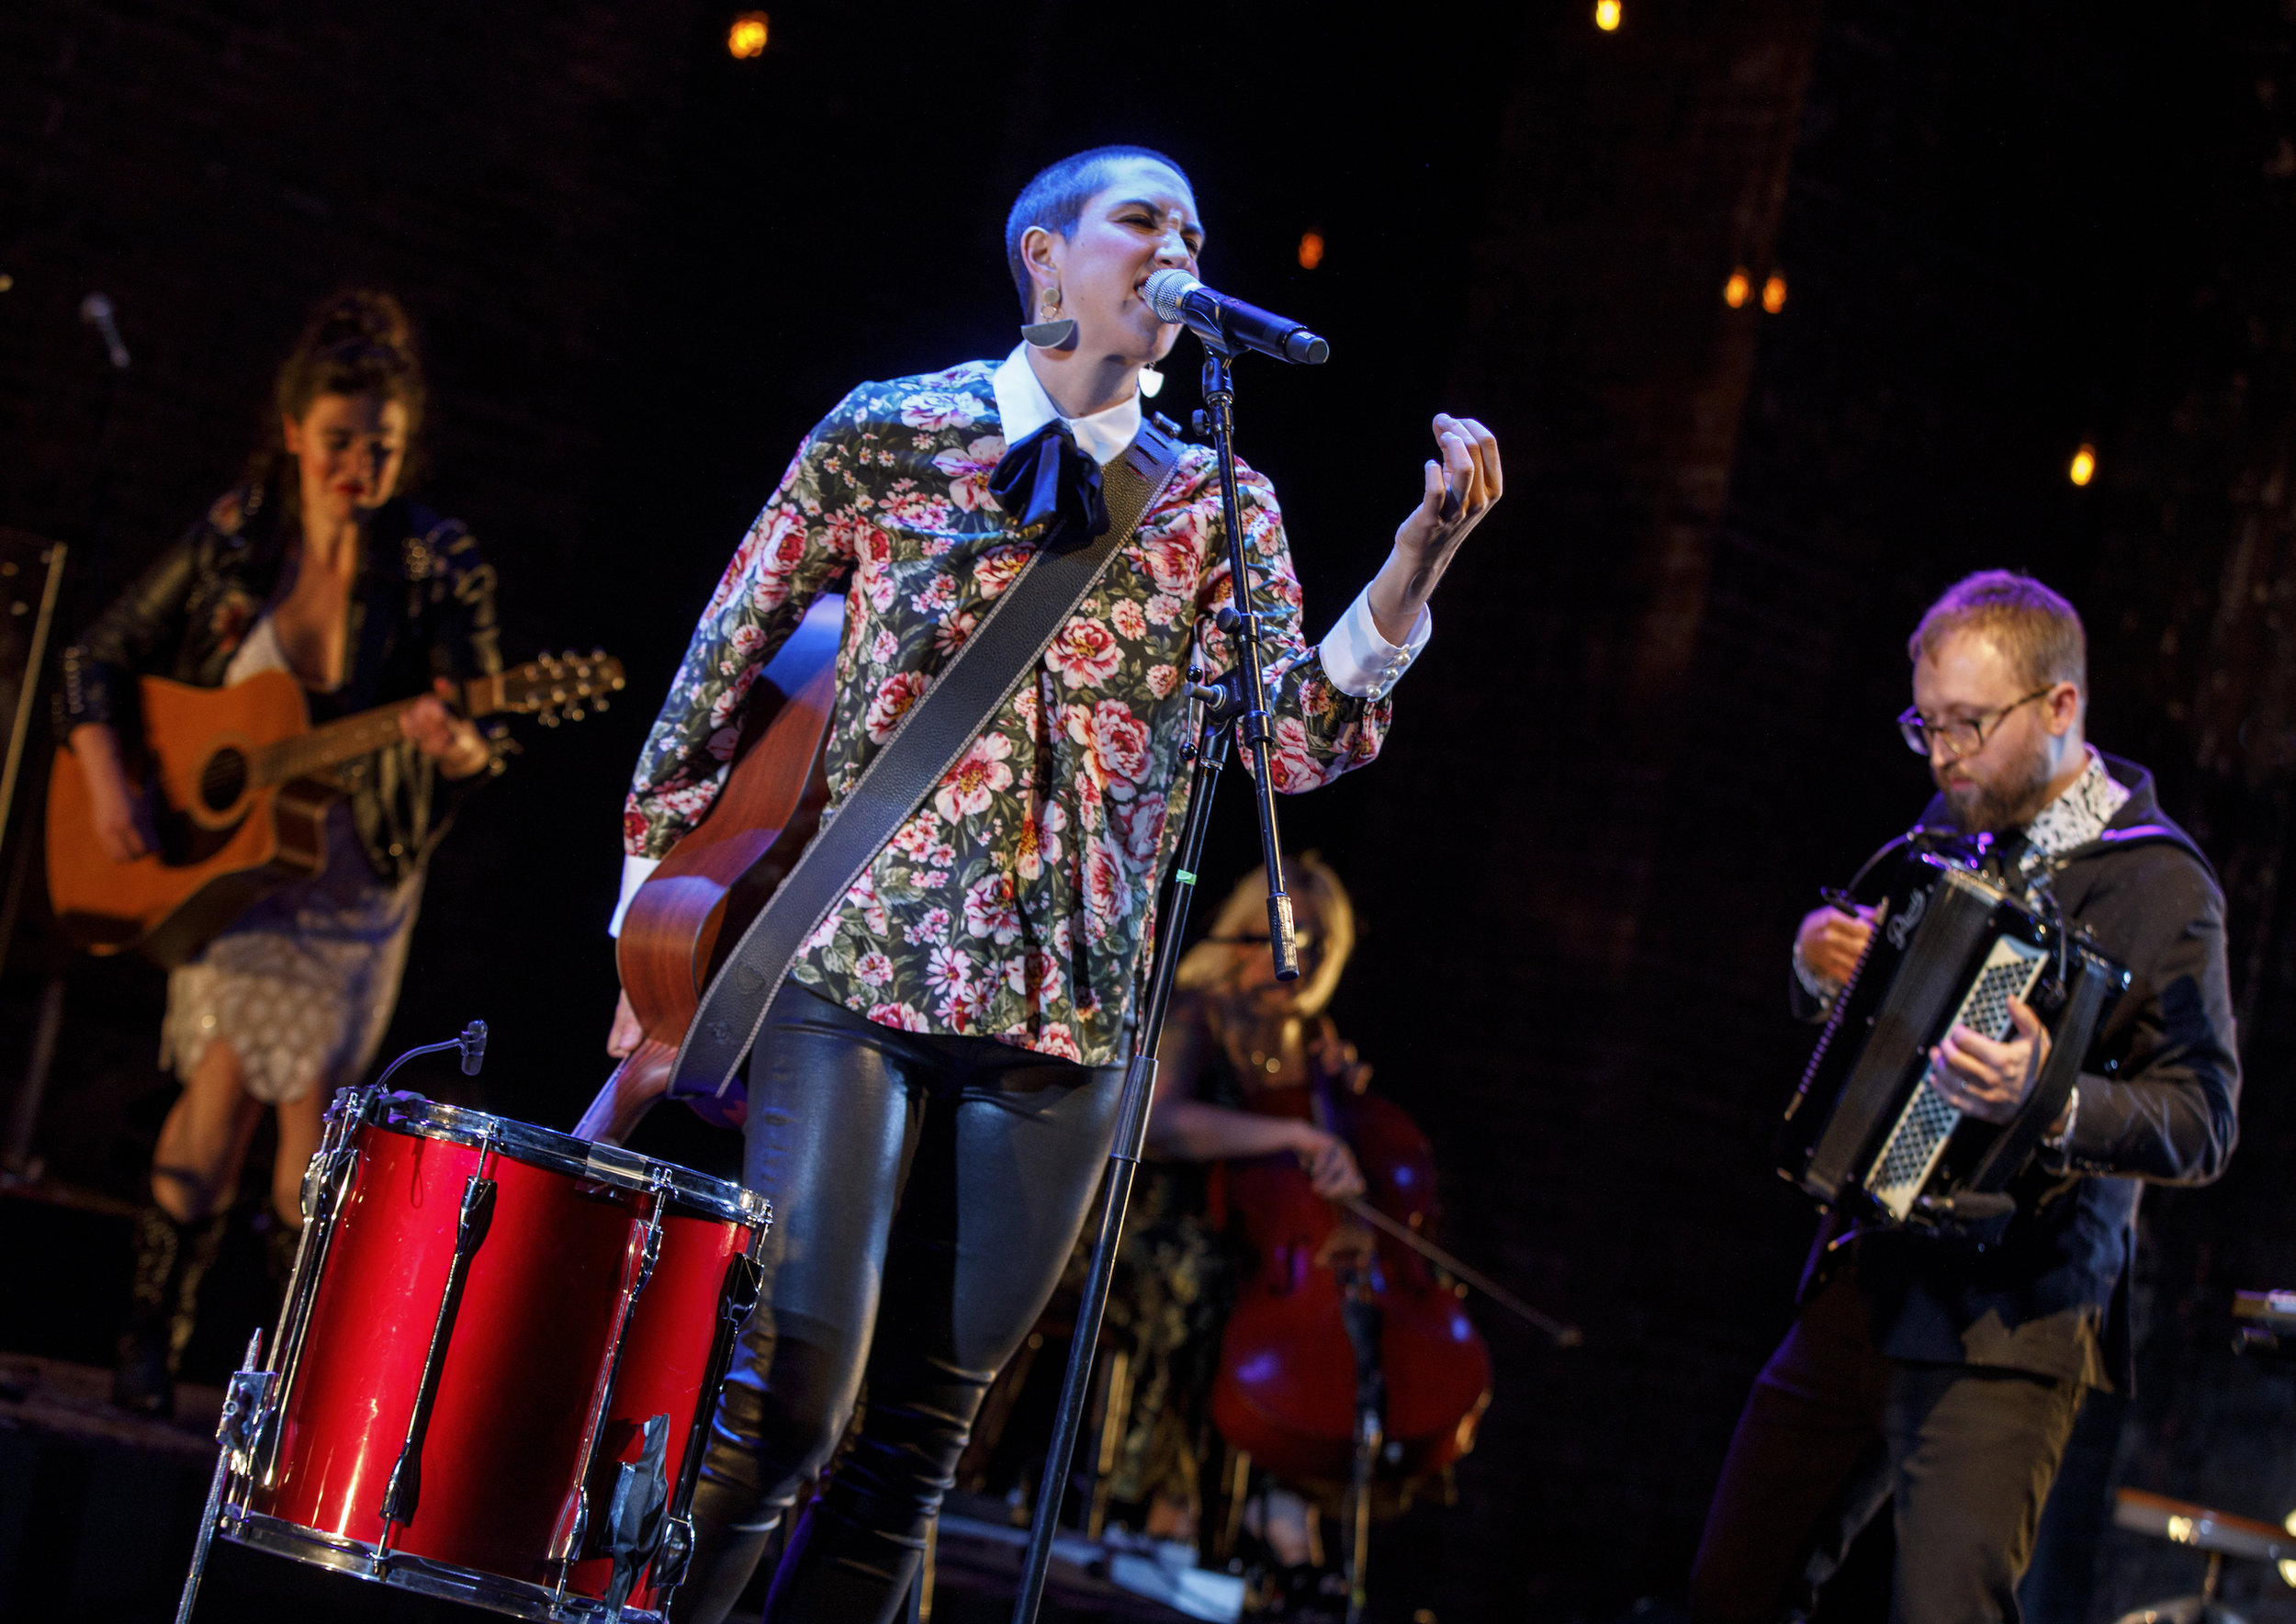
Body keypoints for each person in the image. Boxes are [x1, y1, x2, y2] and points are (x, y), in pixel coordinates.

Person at [605, 144, 1502, 1624]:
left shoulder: (1225, 502)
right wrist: (646, 931)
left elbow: (1294, 738)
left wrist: (1417, 558)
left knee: (913, 1454)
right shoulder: (894, 431)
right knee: (783, 1412)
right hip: (858, 986)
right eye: (1144, 219)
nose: (1178, 247)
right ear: (1044, 255)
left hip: (1072, 1032)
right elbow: (716, 673)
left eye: (1196, 230)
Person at [1687, 571, 2241, 1624]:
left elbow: (2203, 1117)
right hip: (1871, 1280)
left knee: (1945, 1612)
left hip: (2014, 1318)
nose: (1943, 755)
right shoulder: (1947, 828)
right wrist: (1817, 970)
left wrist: (2050, 1095)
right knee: (1731, 1587)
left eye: (1968, 725)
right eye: (1925, 725)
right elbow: (1876, 1013)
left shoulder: (2161, 885)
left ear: (2060, 708)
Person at [59, 290, 502, 1415]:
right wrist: (112, 782)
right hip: (230, 864)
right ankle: (156, 1343)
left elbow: (484, 735)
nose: (361, 465)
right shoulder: (240, 536)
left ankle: (277, 1369)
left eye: (384, 448)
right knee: (219, 1084)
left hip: (352, 873)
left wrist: (456, 744)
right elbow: (96, 655)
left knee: (311, 1097)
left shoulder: (437, 561)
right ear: (296, 431)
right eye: (342, 441)